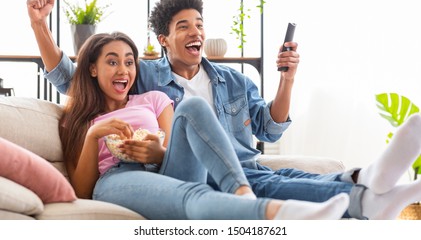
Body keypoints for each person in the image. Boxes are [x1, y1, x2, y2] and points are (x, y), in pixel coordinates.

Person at [27, 0, 421, 220]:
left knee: (286, 178)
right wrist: (40, 26)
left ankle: (365, 186)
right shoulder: (144, 77)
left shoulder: (231, 80)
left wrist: (286, 80)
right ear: (163, 40)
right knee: (258, 176)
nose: (196, 32)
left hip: (238, 163)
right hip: (185, 169)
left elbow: (270, 127)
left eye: (199, 25)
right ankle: (349, 191)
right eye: (184, 27)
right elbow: (72, 77)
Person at [55, 30, 350, 220]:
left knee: (193, 105)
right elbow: (82, 191)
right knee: (196, 196)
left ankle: (242, 192)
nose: (124, 70)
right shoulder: (78, 119)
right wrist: (94, 134)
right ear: (92, 68)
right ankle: (279, 213)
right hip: (118, 178)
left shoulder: (153, 98)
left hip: (165, 169)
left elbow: (173, 151)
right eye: (112, 62)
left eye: (130, 62)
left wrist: (157, 152)